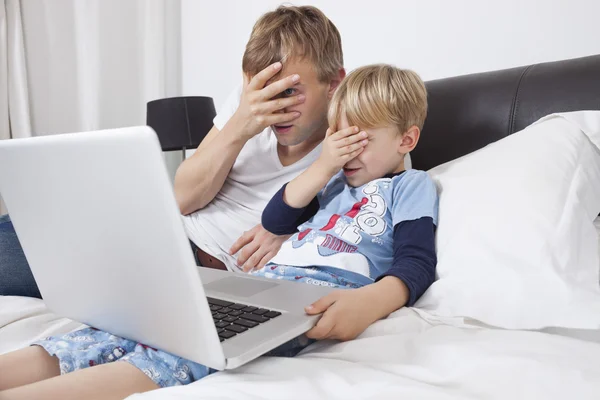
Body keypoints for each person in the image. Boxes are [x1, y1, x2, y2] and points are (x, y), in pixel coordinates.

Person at [0, 62, 438, 398]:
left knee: (182, 353)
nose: (347, 151)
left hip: (318, 293)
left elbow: (415, 262)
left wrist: (371, 301)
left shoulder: (411, 186)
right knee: (131, 327)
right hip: (262, 286)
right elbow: (277, 221)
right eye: (339, 139)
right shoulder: (334, 180)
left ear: (406, 140)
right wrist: (324, 165)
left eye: (360, 141)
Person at [0, 5, 348, 399]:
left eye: (291, 92)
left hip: (202, 265)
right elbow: (182, 197)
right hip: (161, 231)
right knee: (30, 226)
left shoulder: (351, 145)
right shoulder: (249, 107)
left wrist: (278, 228)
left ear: (335, 82)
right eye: (264, 92)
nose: (276, 108)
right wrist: (239, 125)